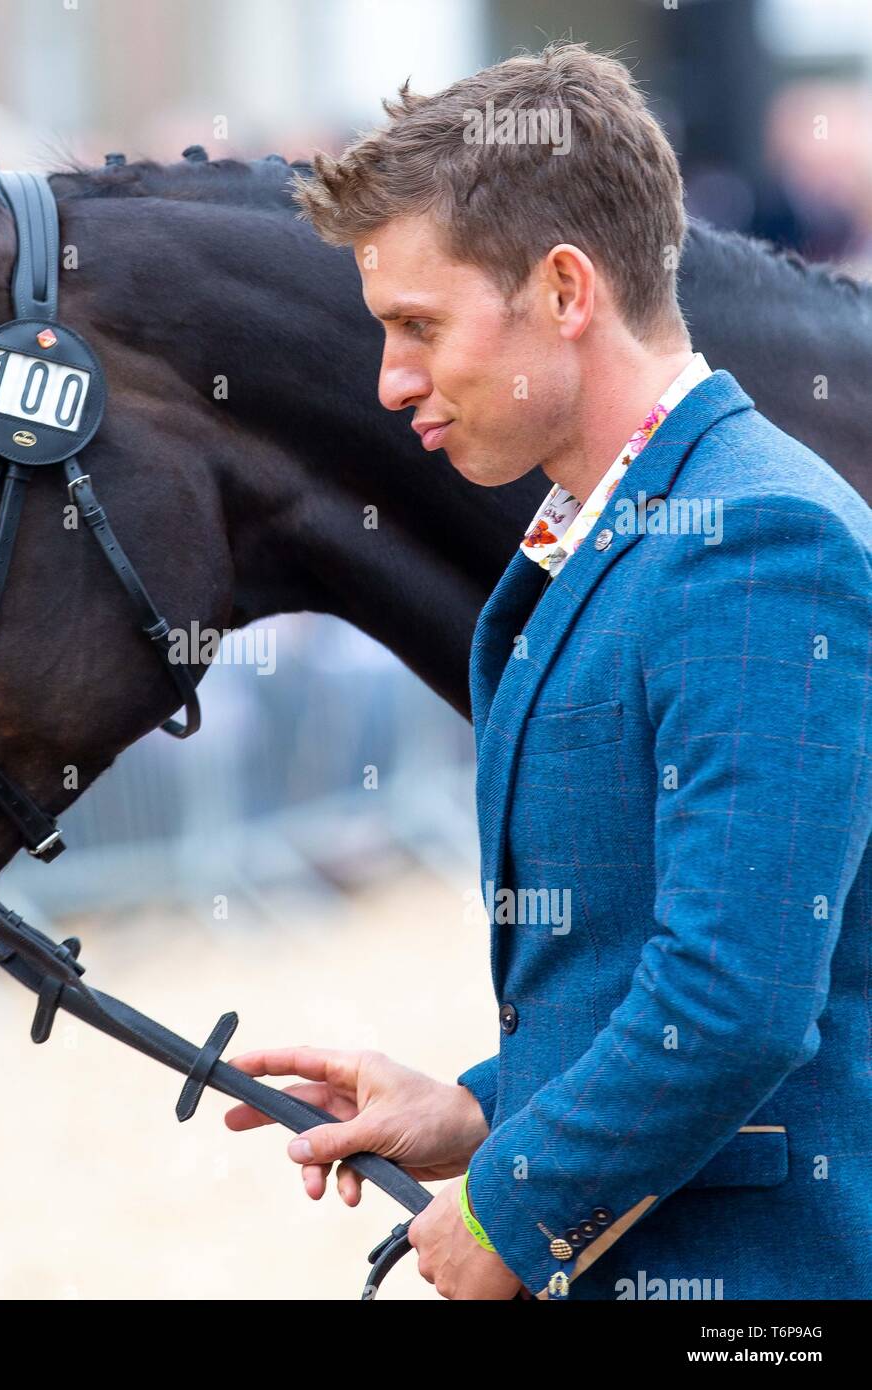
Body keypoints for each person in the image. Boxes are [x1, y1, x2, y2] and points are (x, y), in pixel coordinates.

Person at [223, 43, 872, 1300]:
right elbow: (643, 966)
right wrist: (477, 1110)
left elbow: (736, 998)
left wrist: (517, 1212)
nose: (391, 378)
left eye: (419, 325)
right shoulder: (622, 527)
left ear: (566, 290)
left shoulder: (755, 541)